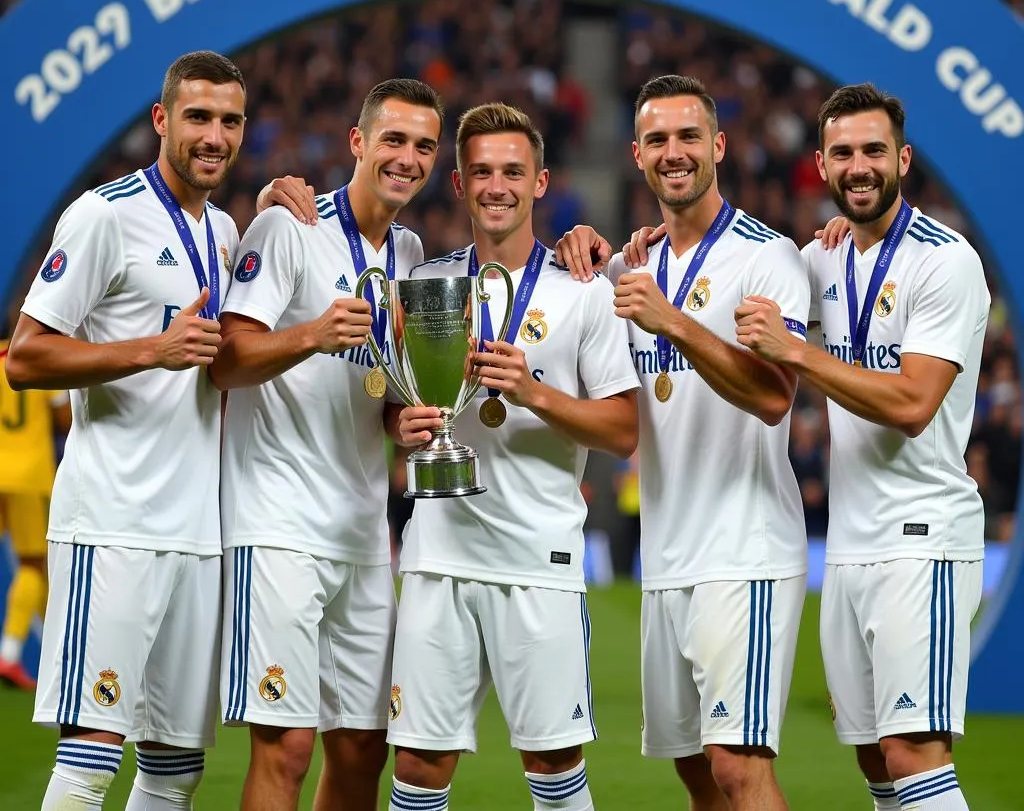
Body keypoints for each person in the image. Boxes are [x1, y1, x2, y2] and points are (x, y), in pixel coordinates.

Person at [556, 74, 809, 811]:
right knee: (696, 773)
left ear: (719, 146)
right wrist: (574, 244)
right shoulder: (629, 268)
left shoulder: (769, 257)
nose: (675, 152)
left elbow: (772, 396)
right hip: (667, 555)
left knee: (737, 768)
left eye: (689, 136)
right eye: (658, 140)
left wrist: (675, 323)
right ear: (635, 154)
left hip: (746, 547)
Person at [733, 83, 989, 811]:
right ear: (821, 164)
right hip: (847, 544)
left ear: (902, 159)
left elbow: (913, 404)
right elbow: (735, 262)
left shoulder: (945, 262)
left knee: (915, 753)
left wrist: (800, 353)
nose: (859, 166)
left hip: (922, 536)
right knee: (877, 761)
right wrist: (638, 244)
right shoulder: (821, 261)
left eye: (874, 150)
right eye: (843, 153)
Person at [4, 50, 245, 811]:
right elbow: (26, 354)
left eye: (230, 120)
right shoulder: (104, 213)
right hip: (114, 523)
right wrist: (152, 349)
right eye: (199, 117)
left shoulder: (226, 231)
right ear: (161, 119)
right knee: (90, 756)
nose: (214, 135)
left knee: (175, 766)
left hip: (195, 532)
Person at [386, 102, 639, 811]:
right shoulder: (425, 286)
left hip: (539, 559)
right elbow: (392, 398)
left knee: (553, 764)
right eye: (482, 172)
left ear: (540, 183)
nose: (497, 185)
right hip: (438, 551)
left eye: (513, 172)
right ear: (461, 185)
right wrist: (401, 422)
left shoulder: (582, 291)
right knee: (418, 764)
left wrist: (532, 391)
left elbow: (624, 429)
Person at [208, 78, 444, 811]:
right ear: (358, 142)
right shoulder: (288, 227)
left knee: (363, 747)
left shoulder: (407, 251)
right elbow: (227, 360)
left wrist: (399, 425)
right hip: (277, 526)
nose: (407, 157)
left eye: (424, 146)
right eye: (394, 140)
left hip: (363, 531)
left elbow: (373, 387)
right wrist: (313, 333)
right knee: (287, 747)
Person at [0, 298, 71, 690]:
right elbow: (65, 419)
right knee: (31, 565)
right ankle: (9, 655)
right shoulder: (41, 357)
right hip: (29, 475)